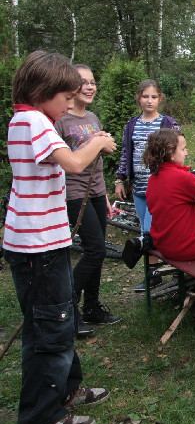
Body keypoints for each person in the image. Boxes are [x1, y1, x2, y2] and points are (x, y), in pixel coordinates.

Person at [3, 51, 117, 424]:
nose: (70, 105)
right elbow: (73, 163)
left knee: (58, 317)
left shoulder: (27, 119)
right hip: (38, 246)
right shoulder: (34, 120)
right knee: (50, 326)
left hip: (43, 241)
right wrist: (98, 142)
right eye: (66, 97)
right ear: (42, 91)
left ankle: (65, 390)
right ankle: (42, 416)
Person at [53, 65, 121, 336]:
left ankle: (91, 307)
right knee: (95, 250)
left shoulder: (92, 117)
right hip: (74, 193)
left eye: (93, 82)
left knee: (98, 251)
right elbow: (62, 160)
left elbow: (98, 162)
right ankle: (67, 311)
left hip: (96, 192)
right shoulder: (61, 120)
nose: (90, 87)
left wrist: (104, 195)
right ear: (71, 86)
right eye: (84, 82)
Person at [143, 128, 195, 328]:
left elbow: (175, 219)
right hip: (187, 249)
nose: (186, 153)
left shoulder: (154, 179)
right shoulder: (183, 178)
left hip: (165, 245)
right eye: (183, 148)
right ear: (171, 153)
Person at [115, 80, 180, 292]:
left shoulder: (168, 123)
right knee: (145, 231)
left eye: (153, 97)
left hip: (159, 187)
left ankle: (163, 271)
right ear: (138, 98)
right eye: (145, 96)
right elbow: (126, 154)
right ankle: (154, 273)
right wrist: (120, 179)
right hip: (139, 187)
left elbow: (178, 152)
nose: (149, 101)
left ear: (160, 99)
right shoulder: (131, 124)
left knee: (153, 231)